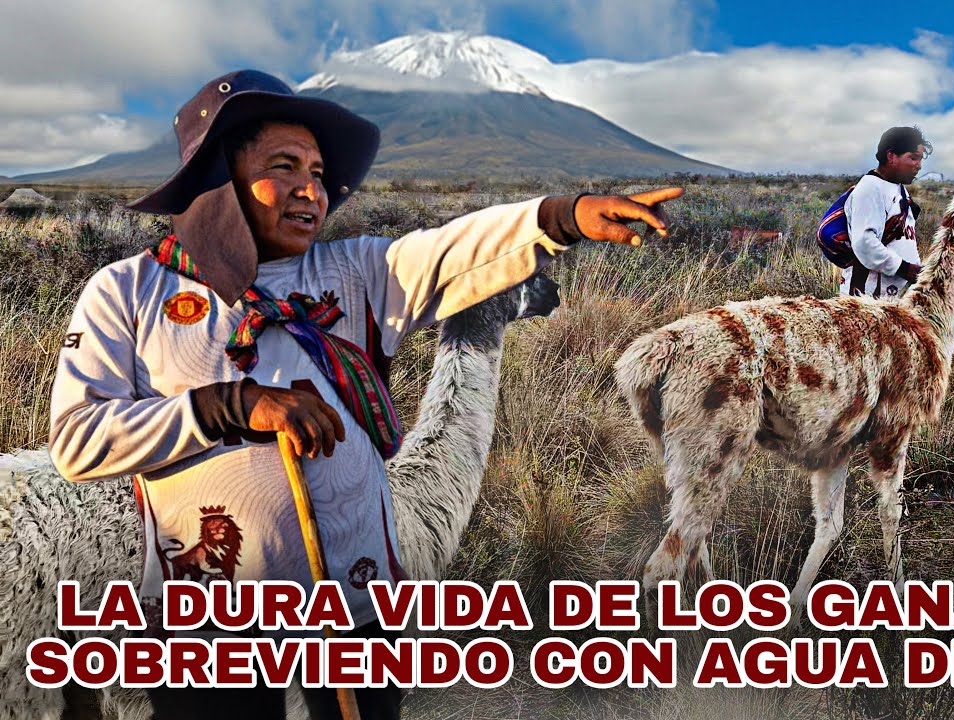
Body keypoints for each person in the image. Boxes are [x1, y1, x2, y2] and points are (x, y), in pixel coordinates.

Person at [47, 69, 681, 720]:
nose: (310, 189)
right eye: (285, 166)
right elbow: (77, 440)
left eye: (319, 174)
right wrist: (227, 408)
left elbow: (448, 253)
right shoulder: (128, 293)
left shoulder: (351, 274)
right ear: (218, 177)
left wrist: (561, 217)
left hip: (354, 611)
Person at [839, 125, 931, 298]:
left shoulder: (899, 189)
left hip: (891, 300)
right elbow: (865, 243)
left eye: (920, 159)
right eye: (913, 158)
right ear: (891, 156)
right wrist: (905, 269)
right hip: (867, 301)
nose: (918, 166)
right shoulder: (870, 188)